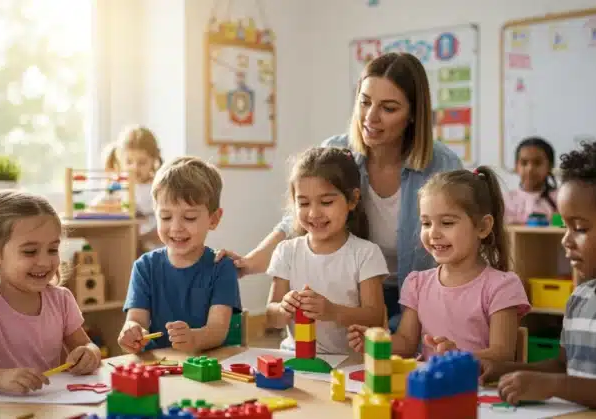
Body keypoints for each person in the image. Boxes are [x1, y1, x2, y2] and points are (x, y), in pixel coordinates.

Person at [218, 52, 463, 331]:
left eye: (389, 108)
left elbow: (462, 240)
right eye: (365, 102)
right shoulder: (339, 152)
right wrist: (248, 263)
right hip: (353, 297)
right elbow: (295, 223)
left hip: (422, 299)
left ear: (413, 115)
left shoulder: (441, 165)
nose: (371, 117)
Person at [480, 134, 596, 417]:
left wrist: (554, 386)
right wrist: (504, 369)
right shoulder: (580, 297)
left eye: (580, 228)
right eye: (565, 227)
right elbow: (563, 367)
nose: (566, 241)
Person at [347, 166, 530, 361]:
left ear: (483, 227)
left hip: (476, 381)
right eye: (426, 223)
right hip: (429, 380)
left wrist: (458, 357)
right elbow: (406, 343)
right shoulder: (417, 284)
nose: (433, 233)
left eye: (447, 223)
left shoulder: (501, 287)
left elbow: (502, 354)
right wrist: (375, 343)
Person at [0, 191, 101, 395]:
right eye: (30, 252)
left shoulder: (61, 300)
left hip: (50, 406)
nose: (44, 262)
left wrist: (90, 354)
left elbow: (87, 346)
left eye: (52, 250)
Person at [266, 147, 388, 354]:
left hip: (346, 361)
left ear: (353, 200)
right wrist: (283, 308)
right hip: (295, 356)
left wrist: (333, 311)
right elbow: (271, 318)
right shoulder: (286, 251)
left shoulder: (366, 254)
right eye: (304, 203)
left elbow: (374, 318)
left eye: (326, 202)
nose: (314, 213)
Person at [118, 157, 241, 354]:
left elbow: (217, 330)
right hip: (160, 364)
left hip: (208, 362)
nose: (176, 227)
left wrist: (195, 339)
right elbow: (136, 320)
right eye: (165, 217)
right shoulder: (144, 267)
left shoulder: (222, 266)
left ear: (214, 219)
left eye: (189, 217)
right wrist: (131, 332)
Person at [97, 125, 164, 252]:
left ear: (154, 160)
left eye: (142, 162)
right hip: (124, 245)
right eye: (129, 162)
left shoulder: (159, 187)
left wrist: (142, 239)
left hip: (153, 247)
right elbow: (97, 206)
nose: (135, 167)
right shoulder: (118, 186)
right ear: (120, 159)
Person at [505, 137, 559, 224]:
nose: (530, 169)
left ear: (550, 166)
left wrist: (556, 220)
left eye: (537, 163)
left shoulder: (559, 199)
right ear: (516, 167)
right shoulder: (507, 200)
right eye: (524, 163)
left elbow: (560, 227)